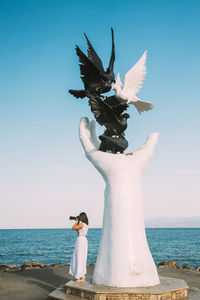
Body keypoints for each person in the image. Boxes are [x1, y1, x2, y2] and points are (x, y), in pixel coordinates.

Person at [69, 212, 89, 282]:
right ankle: (82, 276)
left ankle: (78, 276)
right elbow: (77, 229)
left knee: (78, 257)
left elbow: (73, 228)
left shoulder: (82, 224)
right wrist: (78, 222)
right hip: (84, 240)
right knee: (83, 258)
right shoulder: (86, 224)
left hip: (80, 240)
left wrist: (76, 221)